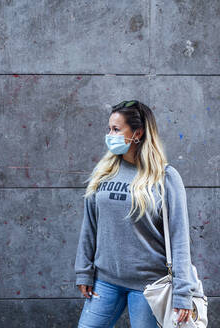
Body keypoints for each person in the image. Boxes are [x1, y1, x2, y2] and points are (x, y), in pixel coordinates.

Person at [74, 100, 198, 328]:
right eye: (109, 129)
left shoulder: (166, 177)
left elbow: (180, 238)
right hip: (105, 282)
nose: (109, 135)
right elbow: (90, 225)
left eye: (116, 129)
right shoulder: (104, 173)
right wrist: (84, 271)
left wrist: (183, 293)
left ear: (137, 133)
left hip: (149, 287)